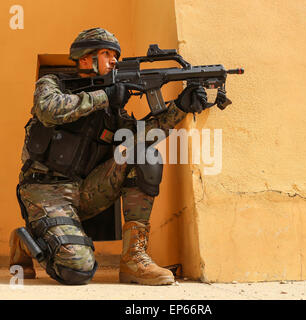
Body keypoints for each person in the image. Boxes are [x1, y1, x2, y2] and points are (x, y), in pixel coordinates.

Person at [9, 27, 212, 285]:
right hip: (44, 190)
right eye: (107, 54)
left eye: (115, 54)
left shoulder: (112, 111)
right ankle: (25, 240)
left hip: (85, 191)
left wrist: (180, 108)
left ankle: (133, 259)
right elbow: (49, 110)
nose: (115, 60)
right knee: (77, 270)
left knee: (144, 155)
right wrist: (104, 96)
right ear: (85, 58)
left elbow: (142, 136)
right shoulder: (53, 84)